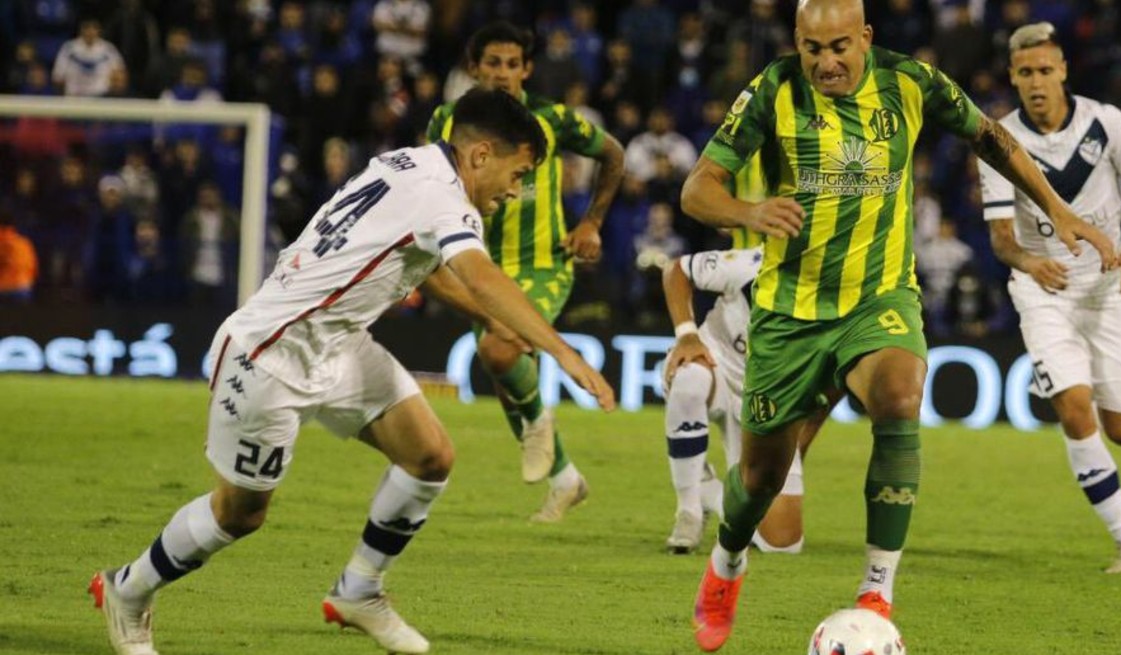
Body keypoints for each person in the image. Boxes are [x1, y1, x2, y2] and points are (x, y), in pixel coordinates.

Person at [89, 88, 616, 655]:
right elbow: (480, 276)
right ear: (482, 154)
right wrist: (563, 351)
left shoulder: (408, 163)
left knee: (430, 457)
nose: (516, 190)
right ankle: (129, 587)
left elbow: (428, 266)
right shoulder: (444, 200)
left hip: (337, 344)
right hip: (271, 356)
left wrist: (494, 321)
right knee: (239, 514)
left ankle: (359, 590)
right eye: (518, 174)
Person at [679, 1, 1117, 650]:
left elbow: (990, 137)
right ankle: (726, 563)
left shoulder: (909, 80)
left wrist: (1056, 207)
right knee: (760, 478)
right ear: (797, 42)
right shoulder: (773, 89)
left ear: (865, 37)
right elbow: (697, 189)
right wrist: (748, 210)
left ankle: (876, 587)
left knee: (901, 395)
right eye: (812, 49)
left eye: (839, 47)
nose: (826, 62)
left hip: (879, 296)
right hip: (790, 312)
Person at [979, 22, 1121, 575]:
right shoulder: (998, 141)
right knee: (1073, 406)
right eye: (1026, 73)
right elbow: (1001, 239)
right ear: (1013, 78)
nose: (1036, 82)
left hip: (1108, 290)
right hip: (1046, 292)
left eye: (1045, 70)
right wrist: (1029, 262)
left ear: (1063, 70)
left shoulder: (1105, 123)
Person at [425, 21, 626, 523]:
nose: (503, 73)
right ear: (474, 69)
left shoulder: (553, 120)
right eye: (493, 63)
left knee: (499, 348)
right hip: (476, 265)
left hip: (543, 265)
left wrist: (592, 223)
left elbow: (613, 154)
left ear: (527, 69)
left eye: (512, 64)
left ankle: (538, 424)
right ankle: (566, 480)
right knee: (503, 369)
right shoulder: (447, 122)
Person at [660, 246, 831, 555]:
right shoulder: (753, 263)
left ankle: (706, 490)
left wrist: (799, 443)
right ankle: (688, 510)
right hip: (716, 366)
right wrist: (687, 335)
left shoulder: (837, 298)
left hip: (768, 404)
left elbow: (828, 388)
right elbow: (677, 270)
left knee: (782, 545)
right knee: (690, 381)